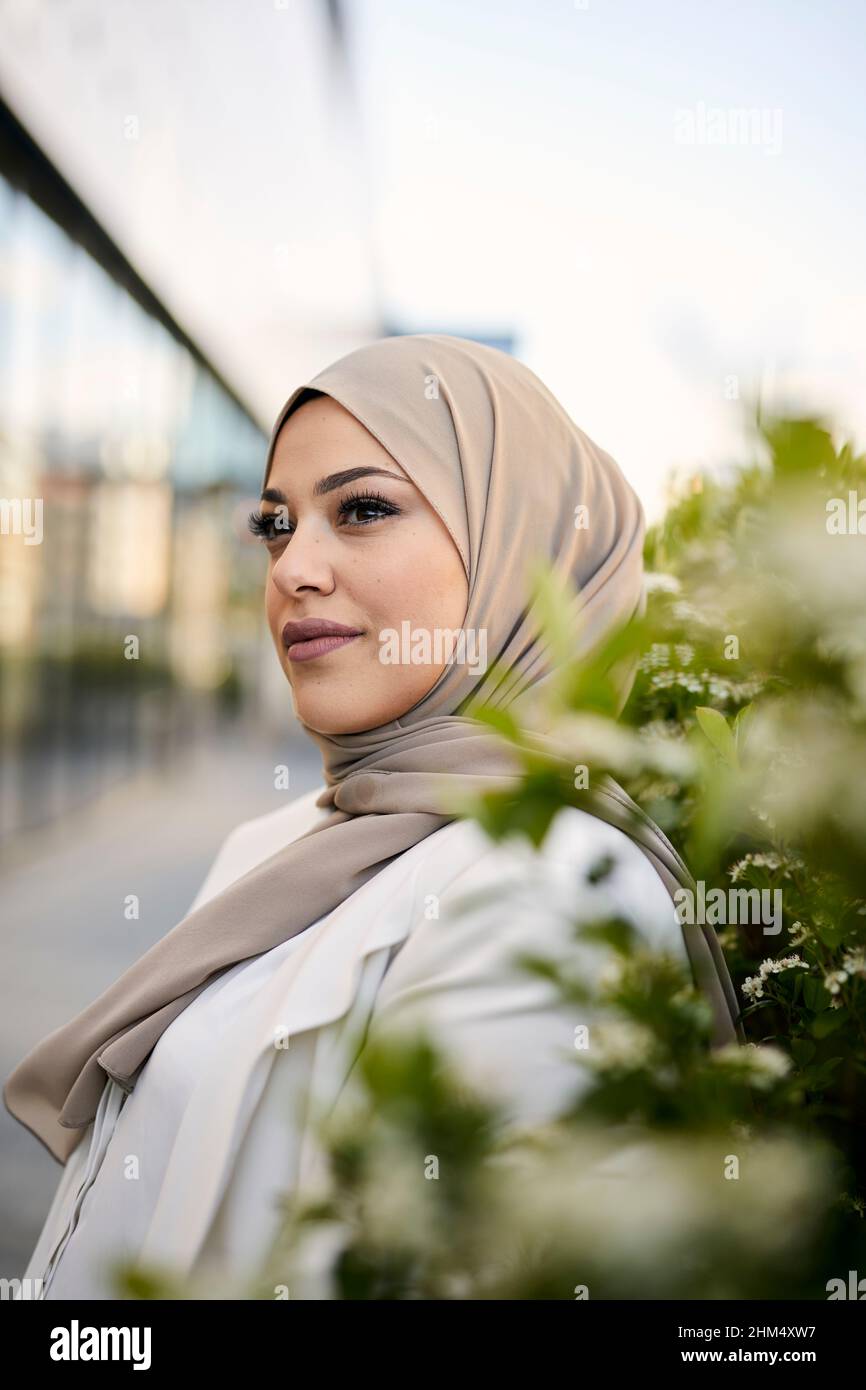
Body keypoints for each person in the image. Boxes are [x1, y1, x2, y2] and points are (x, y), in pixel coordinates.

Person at [4, 333, 742, 1300]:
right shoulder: (285, 842)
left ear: (517, 548)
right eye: (276, 523)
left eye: (361, 510)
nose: (292, 568)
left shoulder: (543, 884)